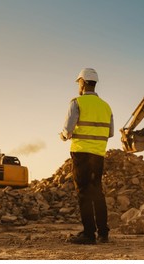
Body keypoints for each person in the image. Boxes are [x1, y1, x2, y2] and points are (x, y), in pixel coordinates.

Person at [60, 68, 114, 245]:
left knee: (84, 193)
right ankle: (103, 233)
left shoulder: (77, 102)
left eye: (79, 83)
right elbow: (110, 133)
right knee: (97, 192)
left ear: (82, 82)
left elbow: (67, 131)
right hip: (98, 155)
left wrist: (63, 135)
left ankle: (89, 234)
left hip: (82, 154)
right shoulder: (106, 107)